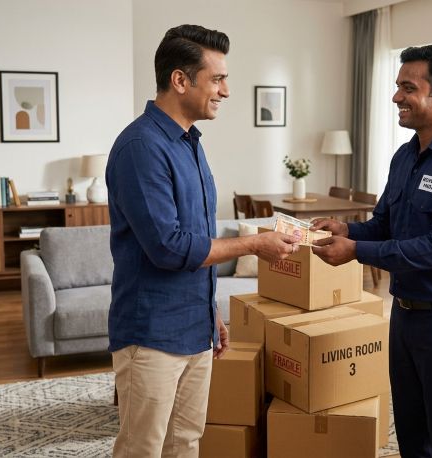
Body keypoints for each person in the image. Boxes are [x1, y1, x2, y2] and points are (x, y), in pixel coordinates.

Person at [106, 24, 300, 458]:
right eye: (217, 79)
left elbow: (197, 237)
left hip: (194, 327)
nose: (226, 91)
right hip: (151, 333)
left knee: (187, 442)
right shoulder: (141, 147)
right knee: (142, 449)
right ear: (180, 80)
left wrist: (209, 312)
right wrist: (255, 245)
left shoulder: (190, 143)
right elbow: (170, 247)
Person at [310, 45, 432, 457]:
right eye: (398, 86)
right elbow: (384, 225)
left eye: (408, 88)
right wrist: (346, 228)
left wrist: (356, 250)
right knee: (412, 436)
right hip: (404, 316)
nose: (397, 97)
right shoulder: (404, 157)